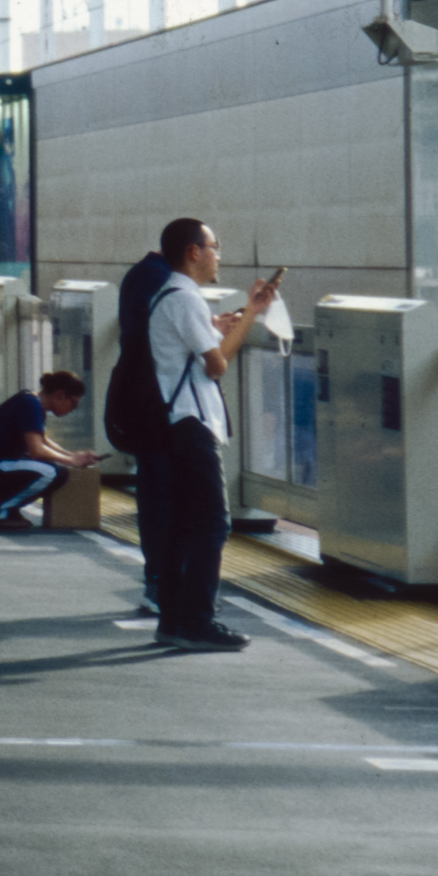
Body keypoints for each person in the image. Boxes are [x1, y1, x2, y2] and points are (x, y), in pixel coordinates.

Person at [117, 216, 282, 652]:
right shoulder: (183, 297)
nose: (218, 255)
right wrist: (252, 316)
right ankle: (196, 620)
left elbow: (198, 350)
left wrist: (236, 319)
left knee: (183, 525)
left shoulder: (172, 296)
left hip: (180, 423)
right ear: (194, 252)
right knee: (212, 523)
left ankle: (175, 619)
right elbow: (217, 363)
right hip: (192, 425)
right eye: (214, 247)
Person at [0, 368, 97, 529]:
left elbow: (43, 440)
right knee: (53, 472)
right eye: (74, 403)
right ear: (60, 395)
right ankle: (3, 510)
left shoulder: (31, 401)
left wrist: (73, 456)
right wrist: (70, 460)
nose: (73, 409)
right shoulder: (30, 404)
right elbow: (37, 450)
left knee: (53, 468)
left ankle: (6, 508)